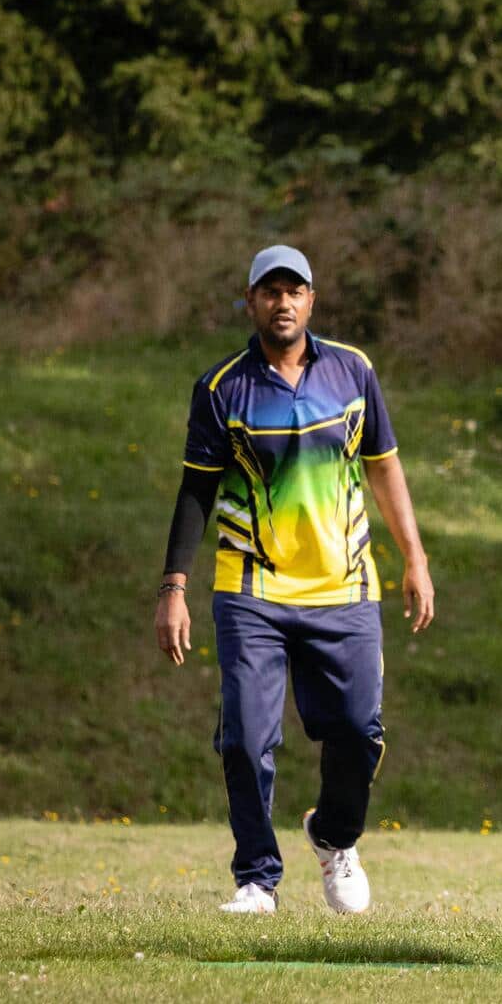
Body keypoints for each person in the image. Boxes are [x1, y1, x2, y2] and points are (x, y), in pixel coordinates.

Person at [153, 244, 435, 915]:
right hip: (252, 590)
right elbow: (195, 491)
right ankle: (256, 879)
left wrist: (415, 559)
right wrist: (173, 586)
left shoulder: (353, 372)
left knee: (360, 732)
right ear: (249, 302)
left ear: (312, 300)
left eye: (295, 290)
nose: (283, 302)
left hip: (345, 587)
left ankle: (335, 838)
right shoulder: (223, 388)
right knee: (247, 737)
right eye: (270, 291)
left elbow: (385, 466)